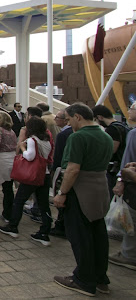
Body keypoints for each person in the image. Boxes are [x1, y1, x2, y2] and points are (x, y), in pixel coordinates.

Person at [52, 103, 113, 296]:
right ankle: (100, 278)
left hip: (81, 190)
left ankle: (84, 279)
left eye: (69, 120)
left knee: (80, 235)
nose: (69, 124)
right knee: (98, 233)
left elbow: (73, 169)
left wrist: (62, 193)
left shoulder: (78, 137)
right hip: (101, 188)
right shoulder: (105, 135)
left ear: (78, 117)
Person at [0, 117, 53, 245]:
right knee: (44, 204)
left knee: (19, 201)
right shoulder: (47, 141)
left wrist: (22, 147)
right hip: (44, 174)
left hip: (32, 176)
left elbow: (30, 156)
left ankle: (13, 226)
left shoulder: (32, 140)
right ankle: (45, 232)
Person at [109, 102, 136, 270]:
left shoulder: (133, 134)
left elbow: (127, 161)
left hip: (132, 184)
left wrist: (121, 180)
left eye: (131, 108)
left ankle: (128, 255)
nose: (128, 111)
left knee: (131, 220)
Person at [92, 104, 130, 198]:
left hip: (114, 168)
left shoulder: (112, 129)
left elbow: (112, 149)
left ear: (100, 117)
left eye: (96, 120)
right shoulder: (123, 126)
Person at [50, 109, 74, 238]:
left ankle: (62, 226)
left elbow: (59, 155)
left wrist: (54, 169)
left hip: (63, 170)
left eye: (57, 118)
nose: (55, 120)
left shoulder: (65, 135)